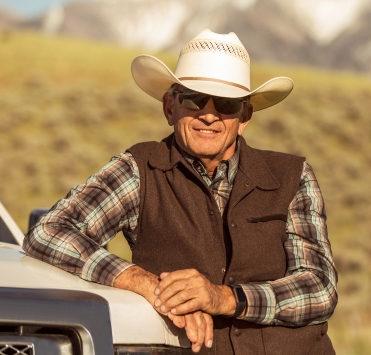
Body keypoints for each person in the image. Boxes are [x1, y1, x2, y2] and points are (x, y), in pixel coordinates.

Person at [23, 29, 338, 355]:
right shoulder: (139, 169)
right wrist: (146, 284)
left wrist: (224, 298)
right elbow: (49, 232)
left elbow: (320, 287)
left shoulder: (292, 176)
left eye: (227, 104)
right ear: (169, 107)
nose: (209, 114)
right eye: (194, 98)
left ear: (244, 117)